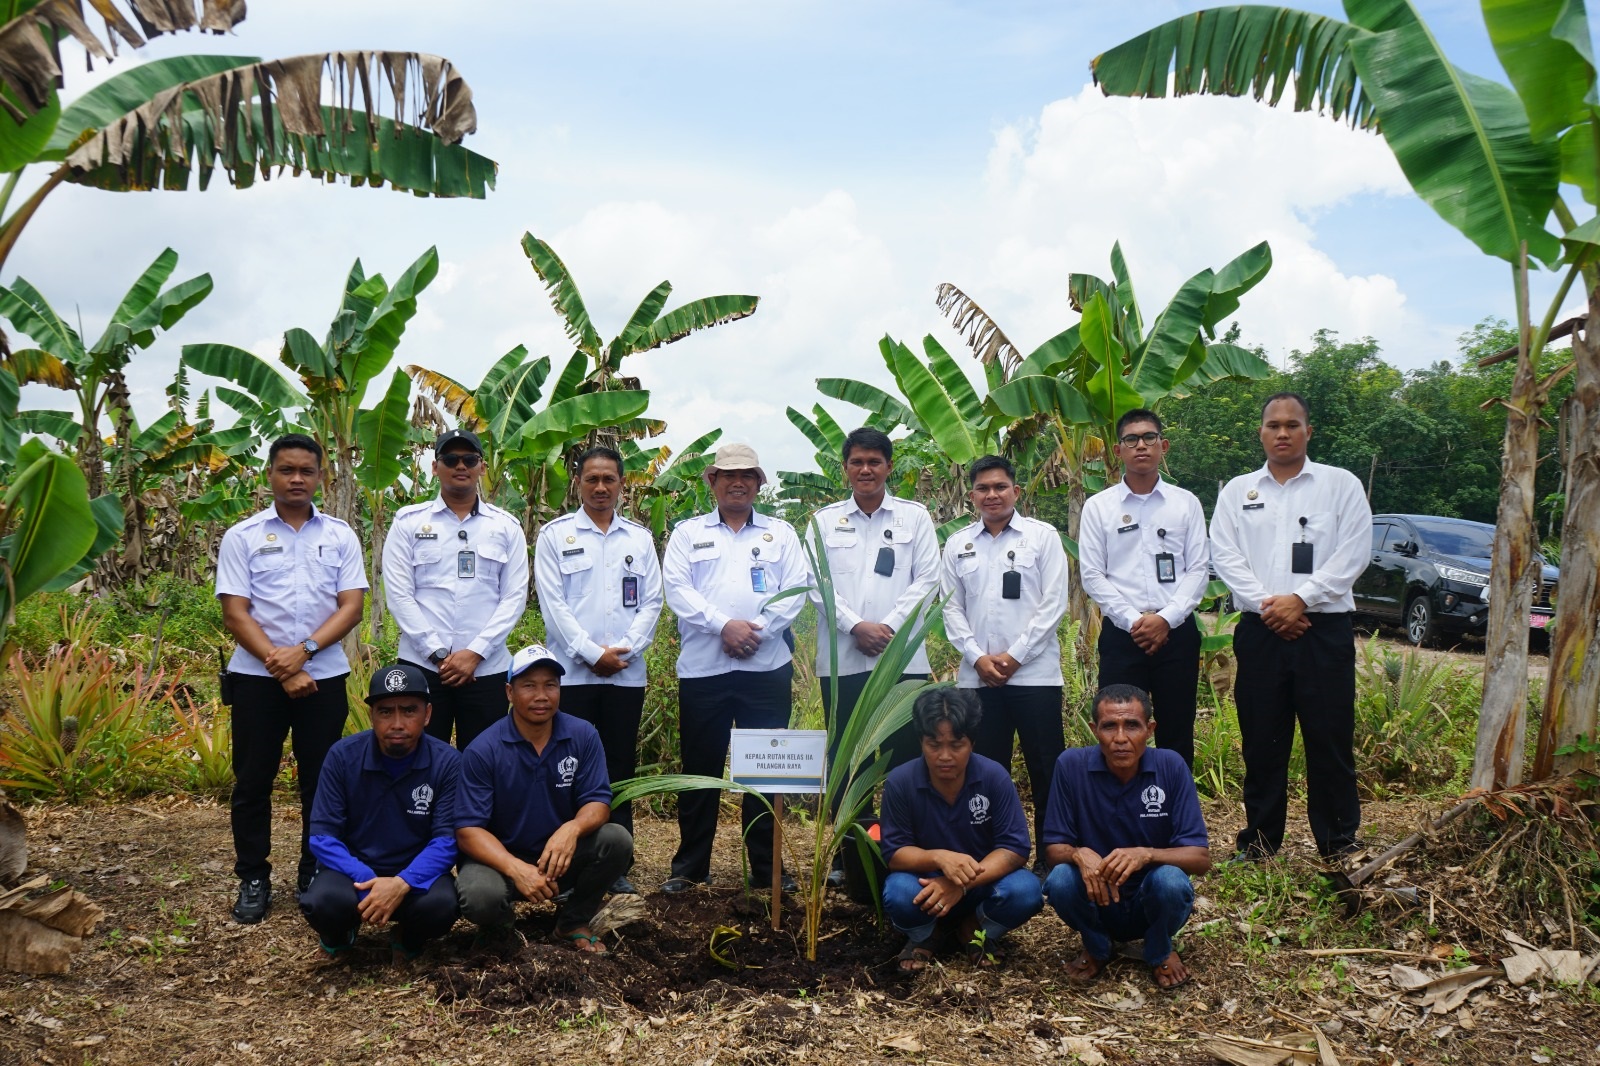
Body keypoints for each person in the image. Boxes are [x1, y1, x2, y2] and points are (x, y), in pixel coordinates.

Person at [1209, 392, 1371, 861]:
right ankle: (1259, 843)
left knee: (1330, 740)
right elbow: (1225, 554)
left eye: (1292, 424)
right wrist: (1271, 607)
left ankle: (1339, 843)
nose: (1283, 433)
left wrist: (1300, 599)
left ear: (1308, 432)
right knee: (1262, 740)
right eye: (1273, 425)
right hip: (1261, 633)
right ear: (1260, 432)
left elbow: (1354, 553)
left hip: (1324, 631)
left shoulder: (1340, 485)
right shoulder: (1238, 491)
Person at [216, 433, 366, 924]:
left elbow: (352, 606)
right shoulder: (243, 536)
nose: (296, 478)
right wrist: (280, 667)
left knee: (322, 781)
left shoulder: (339, 535)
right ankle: (253, 876)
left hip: (323, 675)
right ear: (270, 475)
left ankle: (314, 869)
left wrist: (303, 652)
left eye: (306, 470)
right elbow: (236, 613)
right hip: (257, 679)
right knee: (253, 780)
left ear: (322, 476)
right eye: (286, 469)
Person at [659, 443, 808, 894]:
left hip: (766, 669)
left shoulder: (780, 534)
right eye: (728, 475)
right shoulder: (688, 534)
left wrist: (756, 629)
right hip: (705, 670)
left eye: (747, 475)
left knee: (765, 772)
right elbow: (677, 590)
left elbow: (796, 589)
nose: (737, 482)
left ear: (760, 483)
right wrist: (724, 626)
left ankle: (766, 869)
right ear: (712, 482)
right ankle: (690, 868)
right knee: (699, 768)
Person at [808, 428, 940, 882]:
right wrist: (854, 626)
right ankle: (852, 859)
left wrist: (887, 628)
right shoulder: (823, 522)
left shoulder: (914, 518)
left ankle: (909, 852)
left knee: (906, 760)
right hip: (843, 663)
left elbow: (927, 579)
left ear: (888, 467)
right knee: (849, 763)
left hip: (903, 663)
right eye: (857, 462)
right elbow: (815, 583)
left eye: (874, 462)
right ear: (844, 468)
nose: (865, 470)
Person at [534, 445, 663, 895]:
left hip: (625, 675)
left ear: (622, 485)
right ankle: (565, 865)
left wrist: (623, 652)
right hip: (573, 676)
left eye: (610, 479)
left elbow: (652, 603)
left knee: (619, 766)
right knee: (567, 767)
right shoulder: (555, 536)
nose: (601, 487)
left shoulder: (639, 539)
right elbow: (554, 607)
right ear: (578, 483)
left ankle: (616, 862)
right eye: (592, 479)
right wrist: (592, 653)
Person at [455, 645, 634, 954]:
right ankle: (500, 926)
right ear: (509, 692)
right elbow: (468, 831)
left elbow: (598, 802)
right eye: (529, 686)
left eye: (550, 685)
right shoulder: (484, 749)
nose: (542, 695)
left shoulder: (582, 736)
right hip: (502, 862)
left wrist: (572, 830)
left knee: (616, 839)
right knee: (479, 896)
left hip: (559, 860)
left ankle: (572, 921)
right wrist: (515, 868)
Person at [1042, 685, 1211, 989]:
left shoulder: (1171, 766)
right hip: (1097, 897)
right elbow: (1053, 850)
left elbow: (1199, 858)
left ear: (1150, 729)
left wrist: (1146, 854)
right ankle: (1096, 946)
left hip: (1151, 898)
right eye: (1109, 726)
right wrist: (1079, 854)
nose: (1120, 738)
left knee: (1171, 881)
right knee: (1060, 880)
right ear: (1095, 730)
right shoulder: (1071, 765)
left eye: (1132, 725)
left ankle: (1159, 947)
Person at [941, 454, 1069, 850]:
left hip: (1035, 676)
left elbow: (1054, 603)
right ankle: (990, 851)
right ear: (972, 495)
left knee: (1046, 767)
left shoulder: (1042, 537)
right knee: (983, 771)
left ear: (1016, 490)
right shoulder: (957, 544)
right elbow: (949, 607)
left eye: (1000, 487)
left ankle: (1051, 854)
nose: (992, 495)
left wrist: (1015, 656)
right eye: (983, 488)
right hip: (977, 680)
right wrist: (978, 658)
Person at [300, 663, 460, 960]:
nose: (397, 723)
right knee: (323, 903)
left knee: (442, 906)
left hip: (414, 872)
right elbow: (322, 837)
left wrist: (402, 882)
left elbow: (447, 841)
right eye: (386, 711)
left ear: (427, 715)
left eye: (409, 711)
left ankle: (409, 936)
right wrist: (367, 879)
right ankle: (340, 932)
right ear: (372, 716)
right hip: (352, 872)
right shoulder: (342, 756)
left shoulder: (448, 762)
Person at [383, 428, 529, 751]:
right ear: (435, 467)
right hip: (422, 667)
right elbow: (399, 595)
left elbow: (514, 597)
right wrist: (438, 654)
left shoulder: (506, 527)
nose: (460, 465)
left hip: (485, 669)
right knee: (417, 760)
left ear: (482, 467)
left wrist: (475, 652)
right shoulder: (408, 523)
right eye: (450, 459)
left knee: (483, 763)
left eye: (469, 459)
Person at [1079, 409, 1209, 769]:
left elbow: (1198, 569)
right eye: (1131, 439)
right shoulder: (1099, 508)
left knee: (1177, 730)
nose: (1141, 446)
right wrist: (1135, 620)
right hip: (1123, 639)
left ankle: (1175, 817)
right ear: (1118, 450)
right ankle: (1119, 814)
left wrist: (1166, 619)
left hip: (1177, 636)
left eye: (1149, 438)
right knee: (1118, 730)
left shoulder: (1186, 504)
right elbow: (1092, 574)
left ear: (1163, 446)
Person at [879, 688, 1043, 971]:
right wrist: (939, 857)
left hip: (983, 886)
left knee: (1026, 890)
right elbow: (895, 853)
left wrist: (961, 885)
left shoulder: (994, 776)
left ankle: (974, 929)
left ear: (972, 742)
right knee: (897, 892)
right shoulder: (900, 782)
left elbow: (1014, 849)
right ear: (921, 741)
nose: (945, 756)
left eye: (956, 745)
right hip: (925, 887)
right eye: (934, 744)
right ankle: (927, 934)